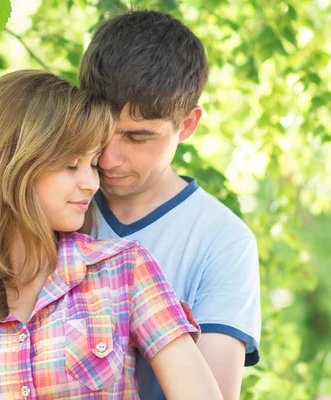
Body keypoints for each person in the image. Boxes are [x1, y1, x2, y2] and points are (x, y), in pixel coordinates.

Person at [0, 70, 223, 400]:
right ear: (10, 168)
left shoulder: (124, 270)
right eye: (71, 166)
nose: (91, 182)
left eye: (92, 163)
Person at [79, 10, 261, 400]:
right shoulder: (55, 201)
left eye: (138, 138)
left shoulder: (223, 241)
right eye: (100, 131)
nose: (109, 159)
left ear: (188, 124)